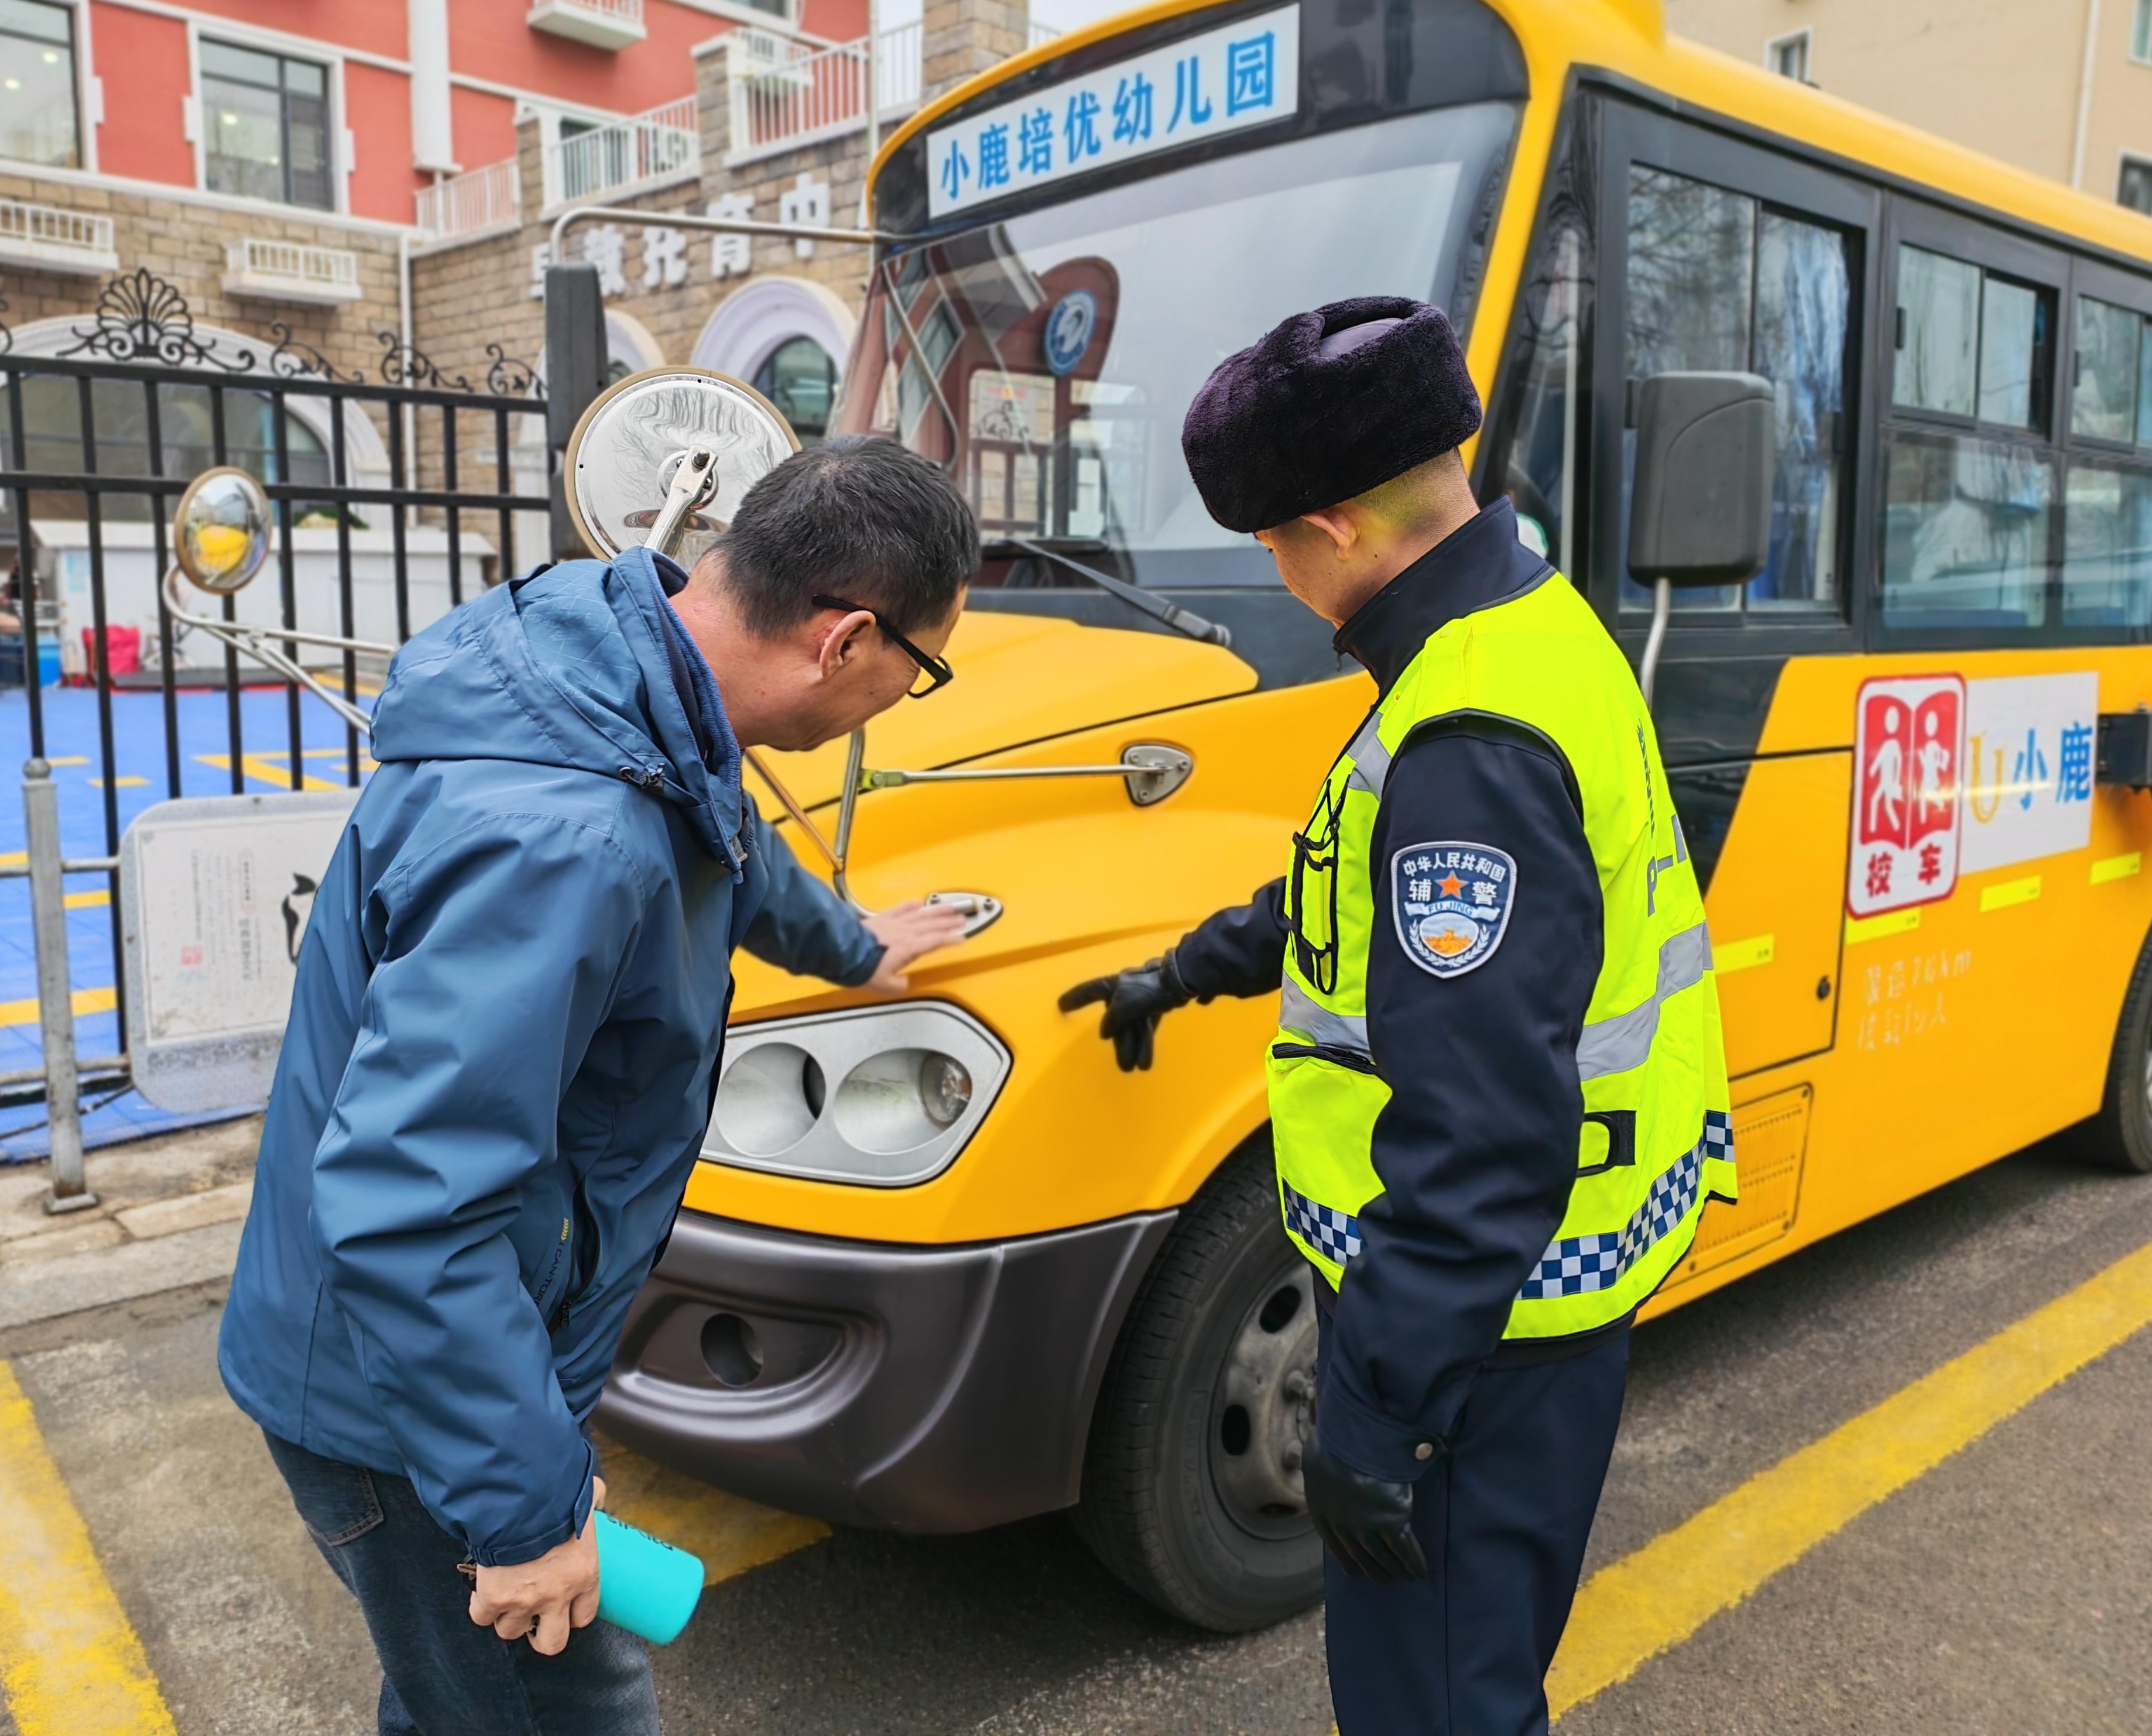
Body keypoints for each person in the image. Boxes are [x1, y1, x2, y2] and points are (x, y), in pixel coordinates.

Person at [220, 436, 981, 1735]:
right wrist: (524, 1516)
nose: (903, 698)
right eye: (923, 670)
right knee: (562, 1713)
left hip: (437, 1365)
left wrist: (853, 946)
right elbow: (407, 1206)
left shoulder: (628, 668)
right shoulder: (565, 839)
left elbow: (725, 836)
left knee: (458, 1704)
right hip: (404, 1403)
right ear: (848, 639)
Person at [1061, 299, 1733, 1734]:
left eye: (1272, 545)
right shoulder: (1523, 626)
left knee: (1437, 1706)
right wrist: (1187, 970)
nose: (1279, 573)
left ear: (1336, 529)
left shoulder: (1466, 735)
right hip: (1528, 1303)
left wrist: (1377, 1406)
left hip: (1482, 1338)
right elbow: (1358, 892)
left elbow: (1483, 1130)